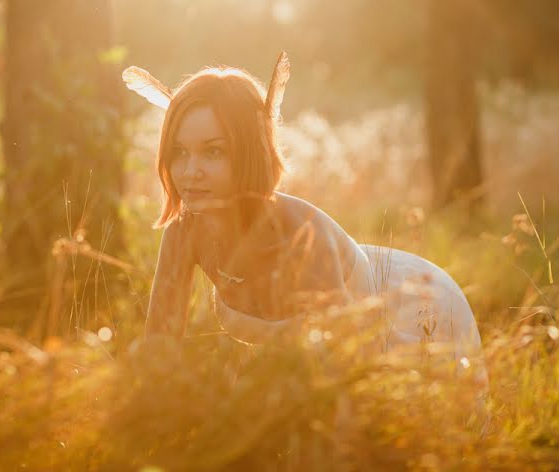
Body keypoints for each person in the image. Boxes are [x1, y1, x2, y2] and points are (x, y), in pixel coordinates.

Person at [122, 54, 487, 387]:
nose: (190, 171)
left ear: (251, 153)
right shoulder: (185, 235)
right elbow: (160, 347)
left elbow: (348, 360)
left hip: (406, 310)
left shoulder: (300, 235)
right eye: (179, 152)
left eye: (213, 152)